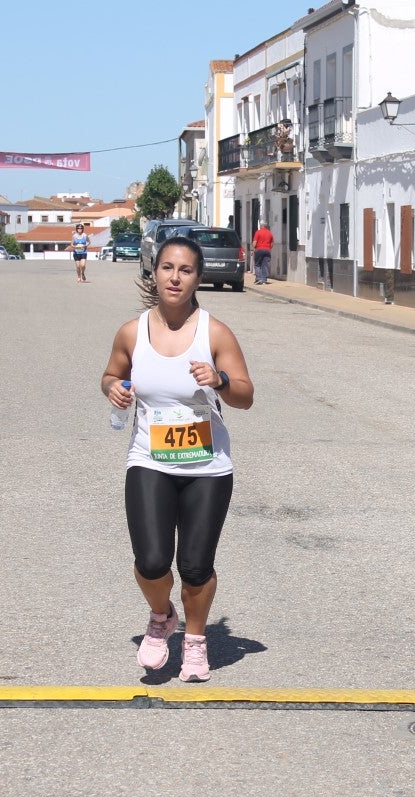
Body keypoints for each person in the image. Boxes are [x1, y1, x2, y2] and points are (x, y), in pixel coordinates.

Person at [101, 235, 254, 682]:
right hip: (149, 458)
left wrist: (221, 379)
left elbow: (245, 396)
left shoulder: (215, 333)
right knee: (151, 560)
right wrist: (112, 386)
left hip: (207, 466)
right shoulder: (132, 332)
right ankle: (161, 615)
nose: (175, 277)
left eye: (185, 270)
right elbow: (112, 372)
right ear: (154, 272)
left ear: (198, 279)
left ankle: (195, 640)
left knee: (195, 566)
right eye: (168, 267)